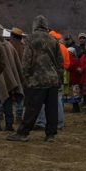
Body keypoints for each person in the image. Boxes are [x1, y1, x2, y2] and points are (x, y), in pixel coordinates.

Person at [7, 15, 64, 143]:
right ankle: (51, 135)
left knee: (32, 109)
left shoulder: (30, 39)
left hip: (37, 79)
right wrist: (59, 78)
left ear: (35, 25)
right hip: (52, 80)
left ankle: (23, 133)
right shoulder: (54, 40)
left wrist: (25, 77)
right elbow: (60, 62)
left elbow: (26, 61)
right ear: (46, 26)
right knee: (51, 110)